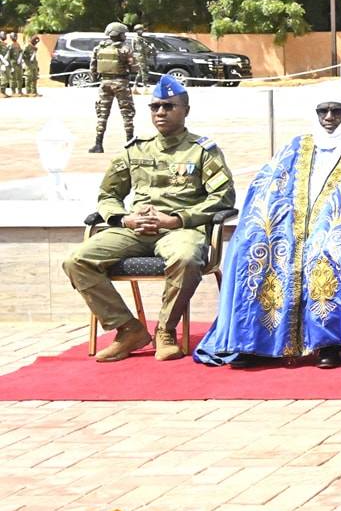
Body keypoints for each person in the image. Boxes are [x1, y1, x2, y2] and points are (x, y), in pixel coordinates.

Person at [196, 96, 341, 369]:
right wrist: (279, 220)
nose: (329, 117)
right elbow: (267, 183)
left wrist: (330, 226)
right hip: (290, 227)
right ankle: (254, 342)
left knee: (328, 249)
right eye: (323, 111)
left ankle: (330, 344)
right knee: (256, 245)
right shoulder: (296, 146)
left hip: (339, 231)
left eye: (337, 111)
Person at [64, 77, 236, 362]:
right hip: (135, 229)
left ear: (185, 110)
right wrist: (124, 219)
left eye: (169, 106)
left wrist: (177, 219)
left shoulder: (203, 151)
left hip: (180, 229)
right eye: (155, 106)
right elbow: (108, 194)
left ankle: (166, 330)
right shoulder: (136, 148)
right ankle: (128, 329)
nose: (160, 112)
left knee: (186, 258)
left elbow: (223, 198)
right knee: (76, 260)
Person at [88, 21, 139, 153]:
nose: (125, 36)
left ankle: (98, 144)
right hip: (121, 83)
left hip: (104, 84)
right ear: (119, 35)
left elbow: (93, 68)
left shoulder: (99, 48)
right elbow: (134, 68)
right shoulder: (125, 49)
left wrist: (97, 78)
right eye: (124, 34)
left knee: (102, 114)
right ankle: (130, 144)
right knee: (127, 114)